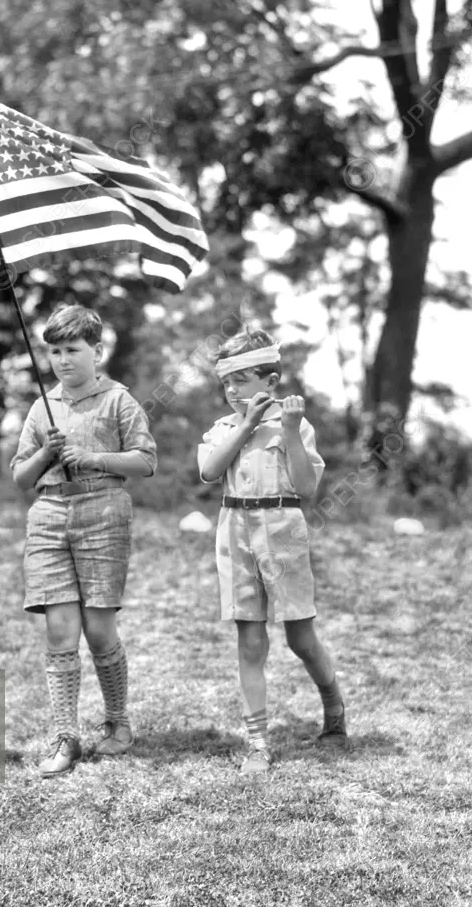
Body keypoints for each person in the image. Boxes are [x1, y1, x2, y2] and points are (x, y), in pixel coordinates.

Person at [11, 305, 157, 778]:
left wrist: (93, 457)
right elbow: (20, 477)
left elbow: (145, 461)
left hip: (103, 512)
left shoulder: (119, 401)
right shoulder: (41, 407)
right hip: (50, 514)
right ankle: (65, 736)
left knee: (98, 629)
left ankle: (118, 721)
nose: (62, 360)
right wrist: (46, 454)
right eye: (53, 351)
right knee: (59, 631)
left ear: (97, 351)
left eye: (72, 350)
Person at [196, 327, 348, 775]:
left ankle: (334, 708)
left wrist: (291, 431)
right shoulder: (223, 428)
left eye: (241, 380)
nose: (231, 390)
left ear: (270, 381)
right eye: (226, 382)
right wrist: (244, 426)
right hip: (235, 530)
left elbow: (306, 487)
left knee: (301, 638)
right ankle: (257, 742)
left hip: (283, 530)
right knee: (250, 640)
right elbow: (208, 471)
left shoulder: (295, 425)